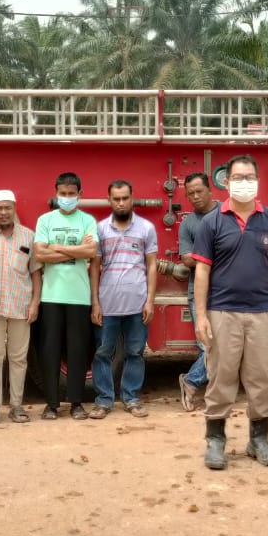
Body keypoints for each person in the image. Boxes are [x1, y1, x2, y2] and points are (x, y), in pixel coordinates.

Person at [190, 155, 268, 470]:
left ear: (258, 180)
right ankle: (215, 441)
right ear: (226, 180)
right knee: (221, 376)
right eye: (238, 177)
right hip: (222, 312)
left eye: (250, 176)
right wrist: (202, 315)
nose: (244, 182)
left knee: (261, 377)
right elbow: (202, 272)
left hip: (262, 312)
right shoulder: (213, 221)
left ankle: (259, 439)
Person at [90, 180, 158, 419]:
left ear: (132, 198)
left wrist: (150, 300)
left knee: (135, 352)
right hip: (107, 304)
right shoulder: (100, 229)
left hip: (137, 304)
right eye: (116, 198)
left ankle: (131, 398)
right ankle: (104, 401)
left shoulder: (147, 228)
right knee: (102, 353)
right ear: (109, 200)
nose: (121, 203)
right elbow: (95, 267)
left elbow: (151, 266)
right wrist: (95, 303)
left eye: (125, 198)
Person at [34, 171, 98, 420]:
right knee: (49, 351)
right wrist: (76, 251)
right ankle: (51, 404)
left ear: (80, 195)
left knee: (77, 351)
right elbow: (39, 254)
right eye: (63, 194)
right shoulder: (45, 220)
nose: (67, 198)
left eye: (72, 194)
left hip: (79, 297)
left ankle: (76, 403)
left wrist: (56, 247)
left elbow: (91, 251)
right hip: (51, 296)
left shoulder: (88, 220)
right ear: (56, 193)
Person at [0, 189, 41, 425]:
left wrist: (35, 303)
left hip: (21, 306)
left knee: (18, 358)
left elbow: (35, 272)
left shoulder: (28, 237)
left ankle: (16, 406)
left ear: (14, 209)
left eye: (8, 207)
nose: (3, 212)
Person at [176, 172, 216, 411]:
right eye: (190, 193)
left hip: (226, 290)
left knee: (223, 343)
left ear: (210, 189)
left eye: (199, 191)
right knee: (206, 345)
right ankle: (192, 383)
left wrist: (201, 256)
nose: (195, 197)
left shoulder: (226, 212)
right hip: (197, 291)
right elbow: (186, 259)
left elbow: (195, 257)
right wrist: (216, 254)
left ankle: (191, 382)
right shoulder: (188, 223)